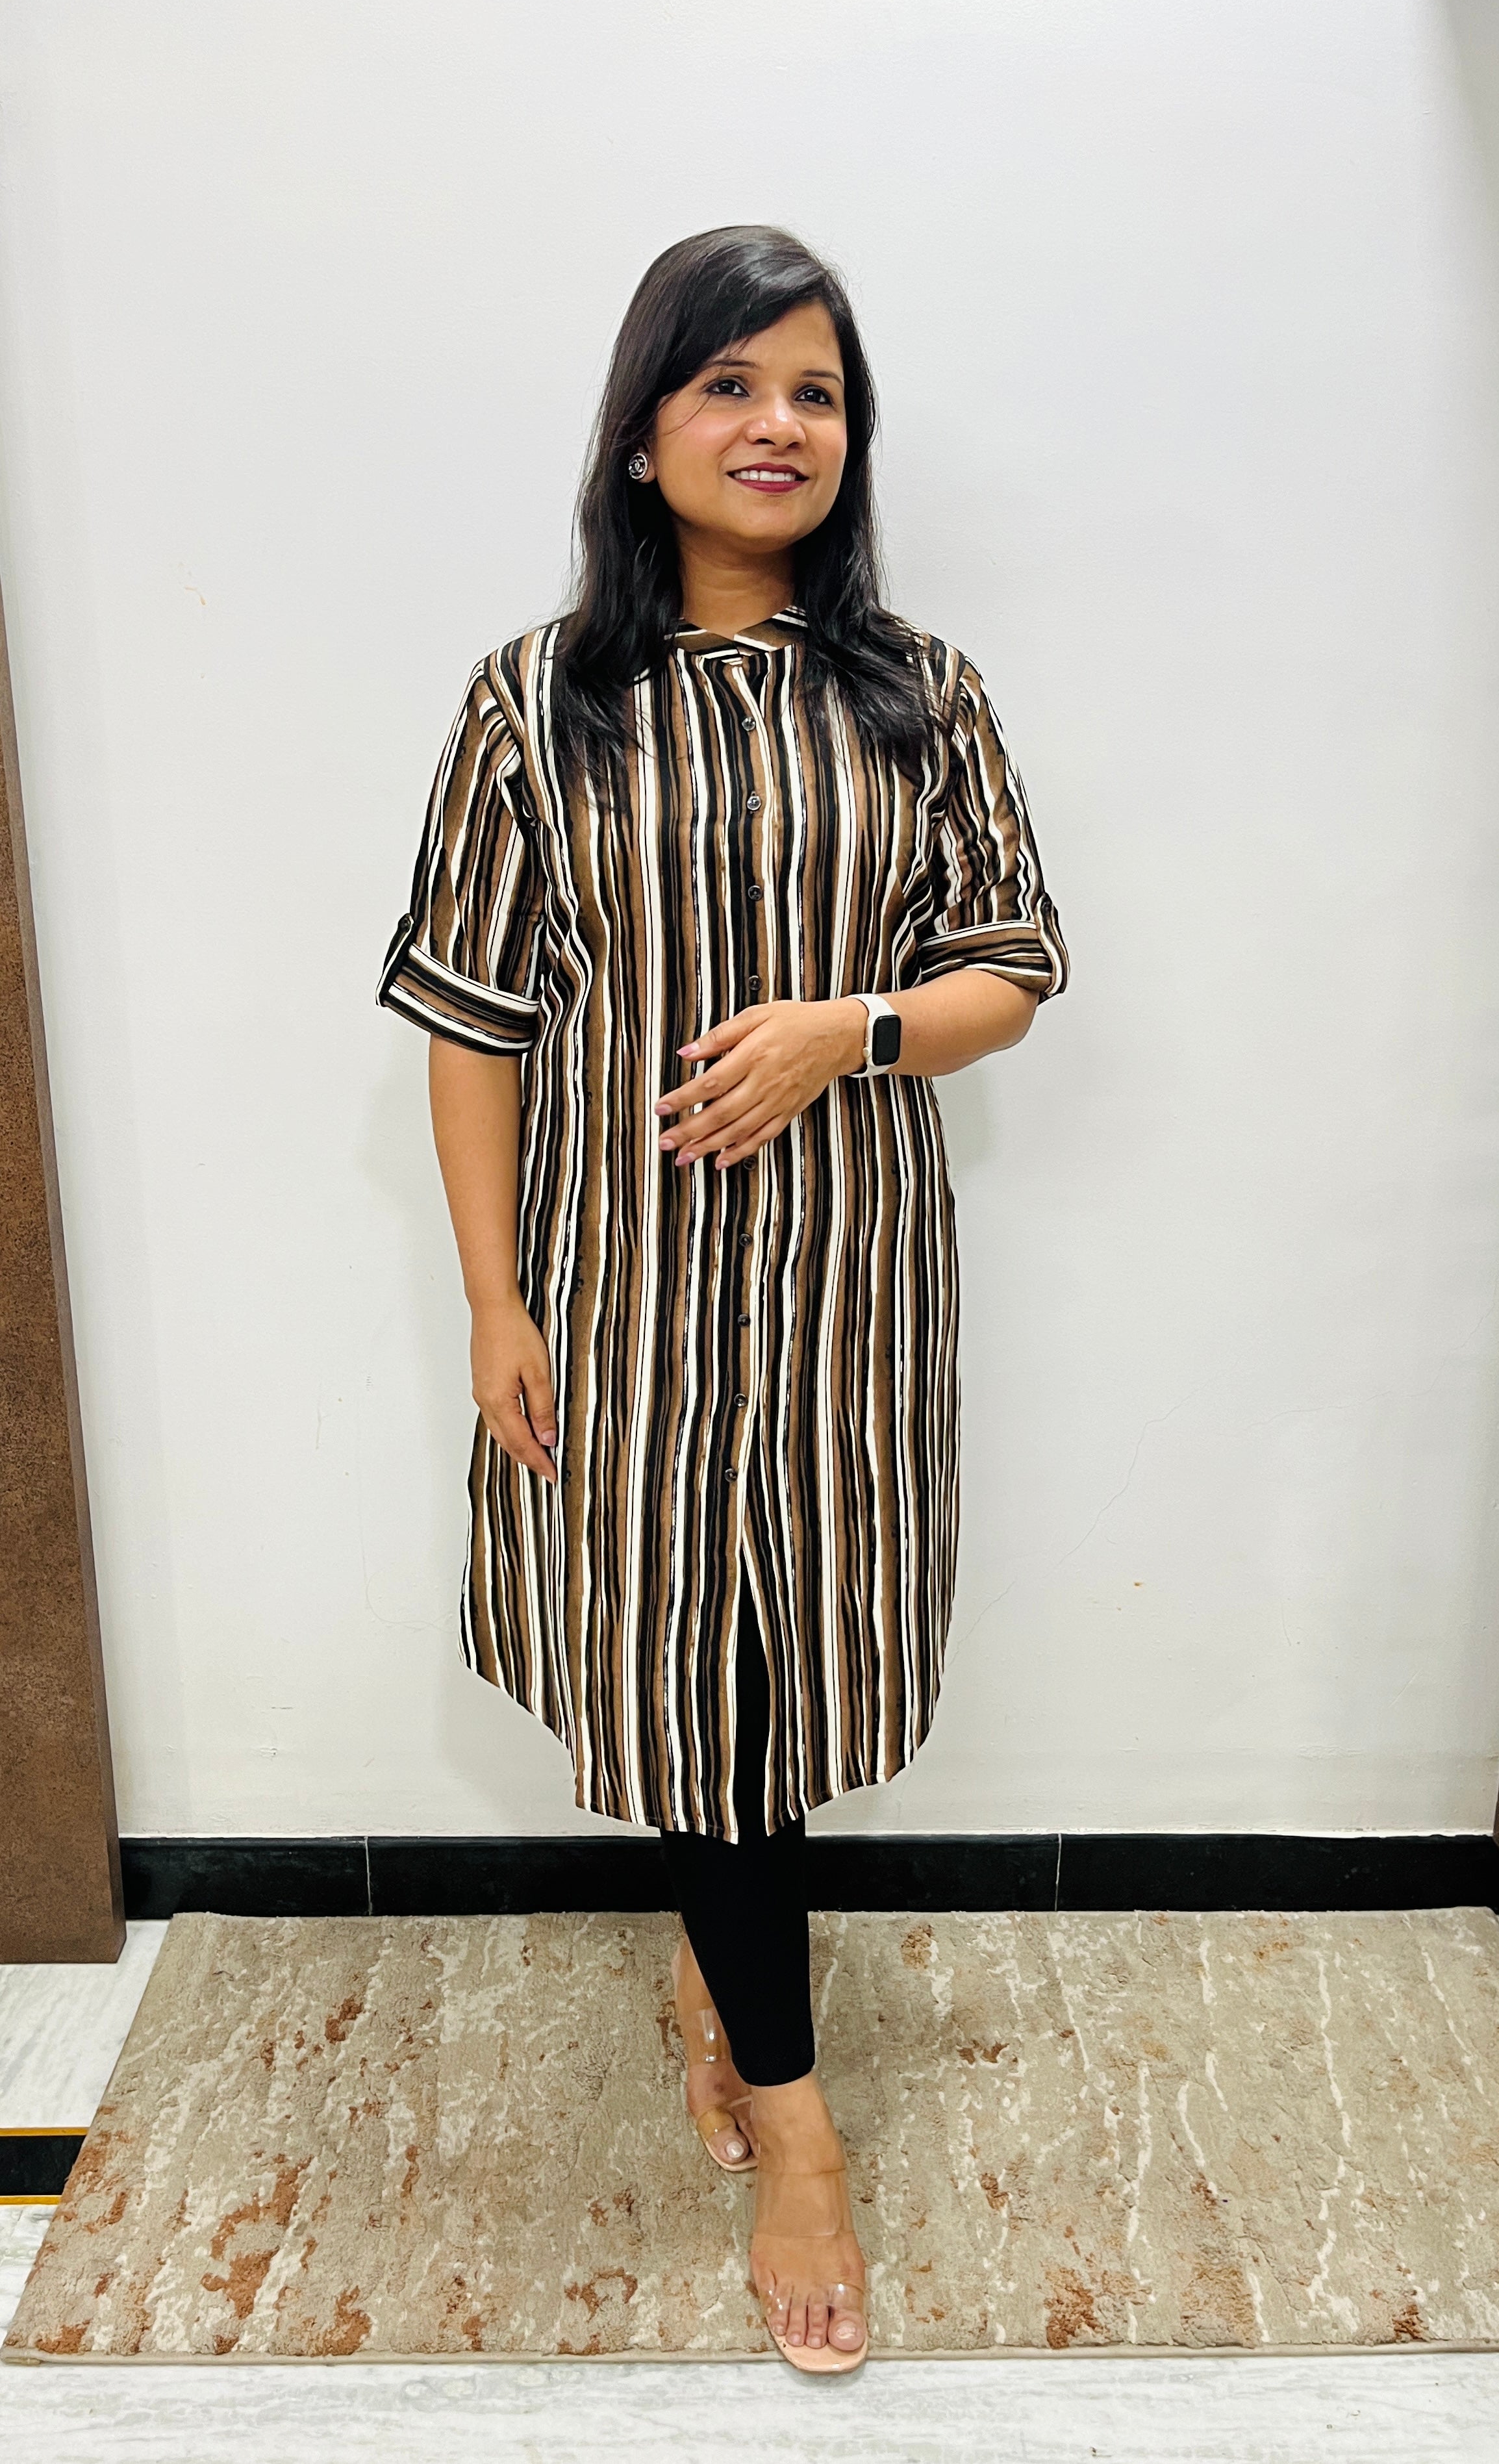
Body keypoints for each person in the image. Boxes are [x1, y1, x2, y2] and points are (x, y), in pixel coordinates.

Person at [377, 224, 1069, 2374]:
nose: (780, 426)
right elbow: (474, 1023)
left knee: (793, 1665)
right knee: (697, 1684)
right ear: (645, 430)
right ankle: (800, 2129)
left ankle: (719, 1965)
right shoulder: (535, 702)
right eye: (732, 384)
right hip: (628, 1302)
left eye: (818, 393)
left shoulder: (921, 692)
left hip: (851, 1289)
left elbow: (1012, 972)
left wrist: (850, 1029)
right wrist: (494, 1302)